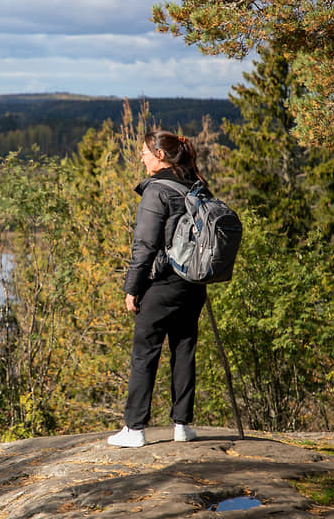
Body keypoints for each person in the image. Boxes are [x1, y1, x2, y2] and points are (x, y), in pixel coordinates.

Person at [107, 130, 208, 448]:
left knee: (145, 353)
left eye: (145, 153)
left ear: (160, 155)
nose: (141, 157)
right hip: (193, 282)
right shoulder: (196, 186)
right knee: (184, 350)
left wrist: (132, 288)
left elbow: (145, 245)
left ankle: (134, 429)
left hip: (161, 283)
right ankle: (182, 425)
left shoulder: (156, 191)